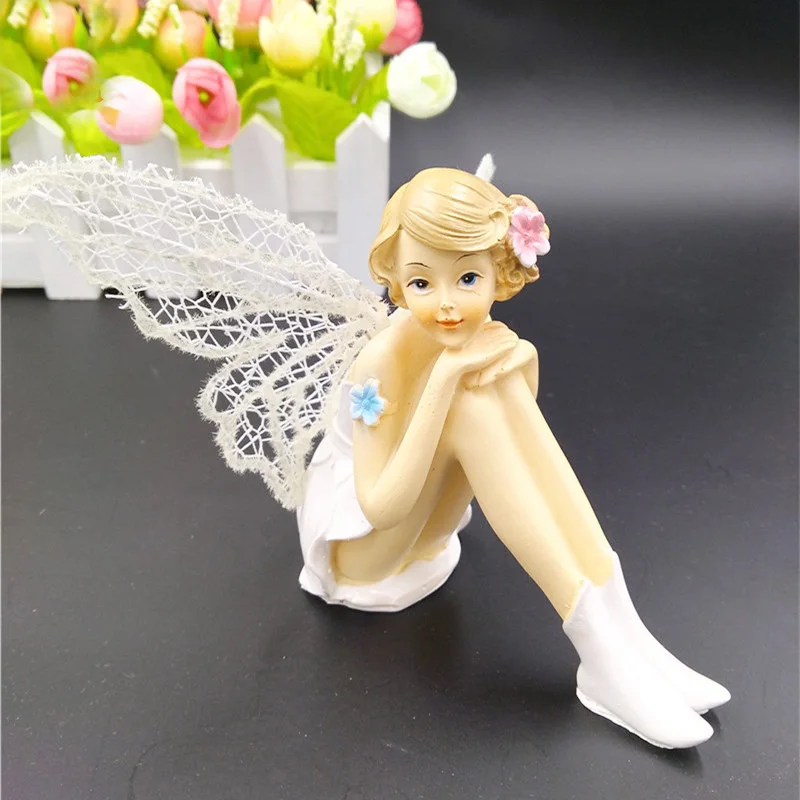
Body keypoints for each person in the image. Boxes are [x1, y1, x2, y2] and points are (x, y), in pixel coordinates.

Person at [297, 166, 730, 749]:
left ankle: (625, 635)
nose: (446, 304)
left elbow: (518, 436)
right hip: (361, 555)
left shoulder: (462, 330)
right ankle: (600, 654)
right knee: (466, 405)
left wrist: (521, 359)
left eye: (467, 278)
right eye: (421, 283)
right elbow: (379, 507)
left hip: (423, 536)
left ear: (498, 273)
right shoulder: (381, 361)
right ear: (395, 282)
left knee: (484, 390)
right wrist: (443, 382)